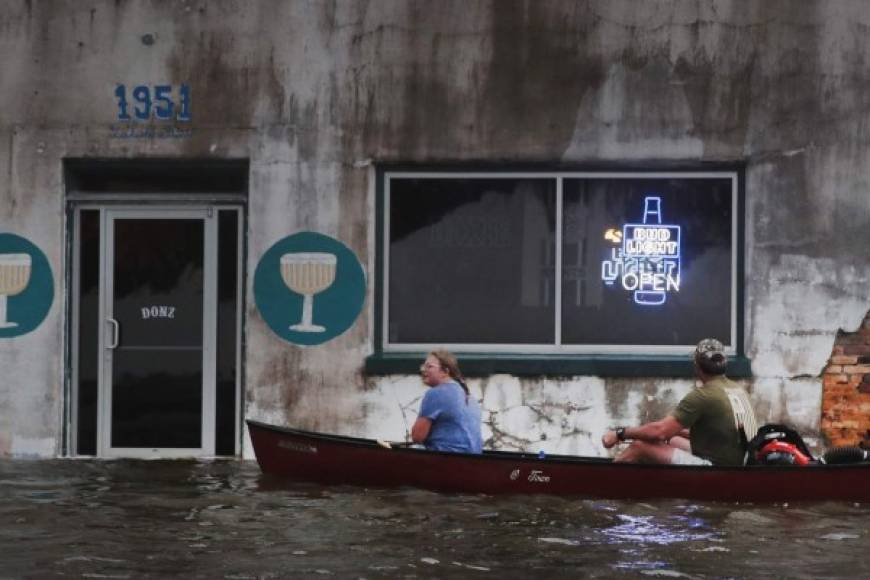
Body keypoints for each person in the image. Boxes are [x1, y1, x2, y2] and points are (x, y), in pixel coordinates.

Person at [601, 338, 758, 466]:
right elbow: (721, 433)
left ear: (696, 366)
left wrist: (620, 433)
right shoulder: (738, 389)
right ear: (724, 364)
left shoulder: (702, 395)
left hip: (717, 468)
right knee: (672, 439)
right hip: (738, 460)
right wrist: (671, 431)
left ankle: (604, 486)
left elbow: (659, 432)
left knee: (639, 446)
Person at [411, 350, 483, 454]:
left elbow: (417, 437)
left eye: (429, 366)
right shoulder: (470, 397)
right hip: (474, 460)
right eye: (423, 366)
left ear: (445, 371)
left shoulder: (436, 393)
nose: (423, 370)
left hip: (446, 460)